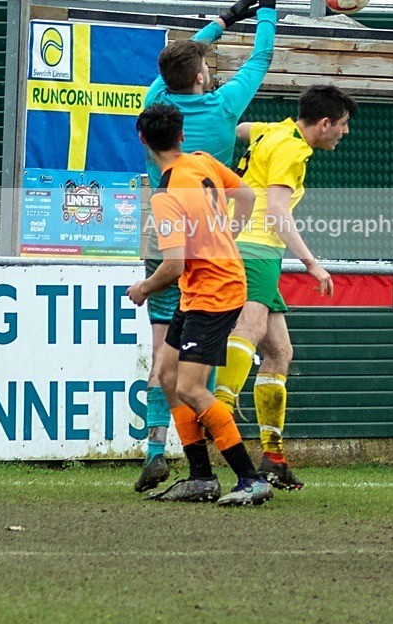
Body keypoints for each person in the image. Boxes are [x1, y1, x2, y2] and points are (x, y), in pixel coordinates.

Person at [136, 0, 282, 494]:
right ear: (202, 77)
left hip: (165, 240)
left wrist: (221, 21)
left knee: (166, 358)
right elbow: (261, 58)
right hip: (215, 248)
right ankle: (219, 471)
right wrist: (265, 6)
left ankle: (159, 451)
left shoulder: (158, 101)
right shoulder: (222, 109)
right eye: (205, 67)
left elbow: (175, 60)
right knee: (197, 371)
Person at [128, 104, 273, 507]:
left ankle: (249, 477)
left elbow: (173, 265)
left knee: (190, 388)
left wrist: (143, 288)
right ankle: (200, 478)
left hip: (214, 292)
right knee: (169, 375)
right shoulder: (202, 162)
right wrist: (228, 233)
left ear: (143, 140)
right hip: (202, 289)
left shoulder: (166, 196)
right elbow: (245, 195)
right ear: (182, 136)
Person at [215, 84, 357, 490]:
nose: (344, 133)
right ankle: (220, 409)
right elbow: (276, 213)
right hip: (256, 246)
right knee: (250, 328)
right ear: (325, 123)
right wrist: (312, 264)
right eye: (343, 125)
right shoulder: (293, 152)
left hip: (245, 244)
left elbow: (238, 128)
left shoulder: (274, 129)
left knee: (279, 351)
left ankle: (272, 455)